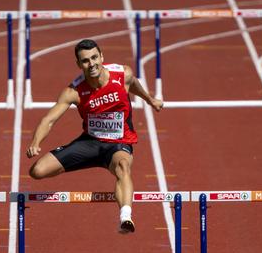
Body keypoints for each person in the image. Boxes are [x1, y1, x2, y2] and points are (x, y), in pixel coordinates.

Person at [26, 39, 163, 233]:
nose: (91, 64)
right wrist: (36, 142)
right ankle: (79, 162)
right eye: (85, 61)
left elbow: (132, 84)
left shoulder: (122, 73)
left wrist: (150, 100)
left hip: (118, 143)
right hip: (90, 143)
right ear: (78, 64)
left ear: (101, 57)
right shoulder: (74, 91)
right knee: (37, 171)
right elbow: (49, 120)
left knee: (123, 167)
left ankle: (125, 217)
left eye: (94, 58)